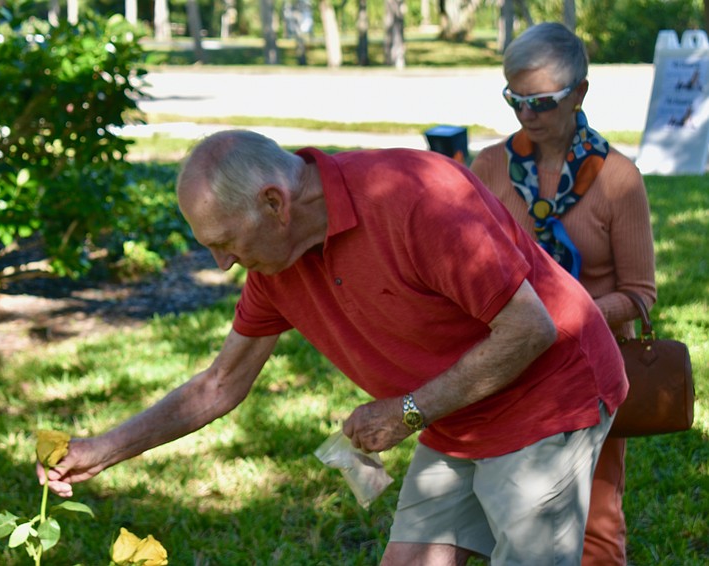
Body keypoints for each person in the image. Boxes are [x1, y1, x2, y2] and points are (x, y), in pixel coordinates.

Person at [38, 129, 629, 565]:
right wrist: (103, 449)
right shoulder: (275, 267)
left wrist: (406, 412)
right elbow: (221, 383)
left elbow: (531, 329)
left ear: (274, 202)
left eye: (224, 243)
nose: (221, 265)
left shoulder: (417, 196)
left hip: (550, 395)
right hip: (458, 411)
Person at [470, 22, 656, 566]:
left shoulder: (619, 178)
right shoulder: (488, 168)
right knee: (508, 515)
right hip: (509, 366)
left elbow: (640, 293)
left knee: (596, 523)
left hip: (590, 367)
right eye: (514, 99)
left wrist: (565, 318)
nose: (526, 114)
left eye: (542, 102)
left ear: (579, 93)